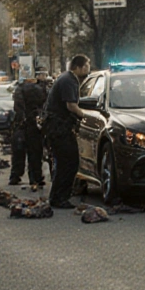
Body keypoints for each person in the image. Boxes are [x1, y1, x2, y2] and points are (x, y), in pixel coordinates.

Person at [42, 55, 91, 208]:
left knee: (64, 162)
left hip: (56, 127)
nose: (89, 68)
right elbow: (71, 106)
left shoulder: (66, 78)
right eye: (87, 65)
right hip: (59, 128)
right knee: (69, 162)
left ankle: (56, 196)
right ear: (80, 67)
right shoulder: (69, 80)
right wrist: (84, 115)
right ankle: (60, 198)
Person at [10, 67, 50, 190]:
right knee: (35, 152)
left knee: (18, 151)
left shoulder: (20, 89)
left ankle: (15, 176)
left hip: (23, 124)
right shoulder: (43, 89)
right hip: (36, 124)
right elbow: (45, 107)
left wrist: (20, 121)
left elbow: (18, 107)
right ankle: (36, 177)